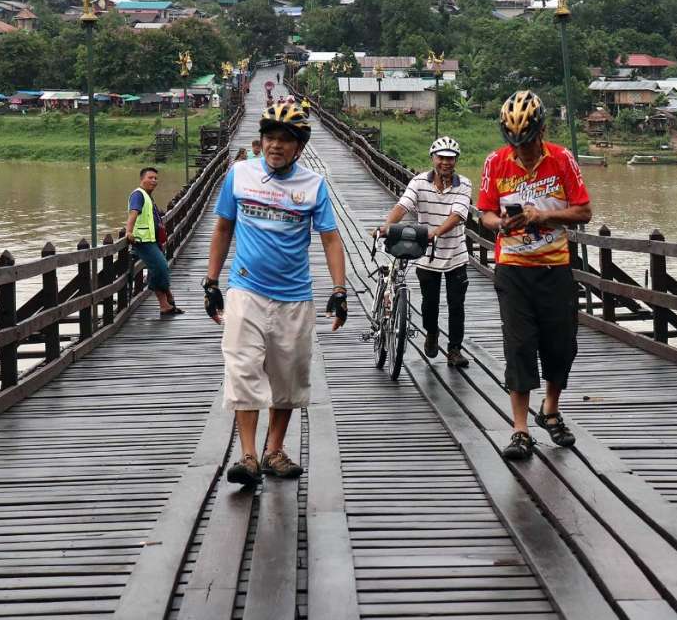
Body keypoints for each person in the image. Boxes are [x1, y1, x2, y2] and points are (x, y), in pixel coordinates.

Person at [203, 101, 349, 487]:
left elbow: (331, 240)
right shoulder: (239, 175)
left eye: (285, 140)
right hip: (245, 289)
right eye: (270, 138)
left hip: (294, 296)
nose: (275, 146)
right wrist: (211, 281)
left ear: (299, 147)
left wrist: (339, 289)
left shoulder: (313, 185)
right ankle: (248, 455)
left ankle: (274, 451)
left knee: (287, 377)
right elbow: (222, 229)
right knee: (242, 370)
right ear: (261, 140)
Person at [476, 90, 592, 460]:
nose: (522, 151)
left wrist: (543, 217)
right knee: (520, 346)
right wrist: (502, 224)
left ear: (540, 131)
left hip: (554, 266)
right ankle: (520, 428)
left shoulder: (562, 160)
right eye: (515, 143)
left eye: (527, 142)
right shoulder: (495, 163)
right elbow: (485, 214)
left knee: (561, 346)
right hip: (513, 269)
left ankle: (550, 409)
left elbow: (584, 212)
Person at [376, 137, 472, 368]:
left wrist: (435, 232)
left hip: (455, 254)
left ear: (456, 160)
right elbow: (404, 205)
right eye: (441, 158)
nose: (446, 163)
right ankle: (431, 333)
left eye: (450, 158)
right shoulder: (419, 182)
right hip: (427, 256)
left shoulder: (464, 184)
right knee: (429, 303)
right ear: (433, 159)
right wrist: (387, 226)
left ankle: (455, 349)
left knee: (456, 304)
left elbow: (458, 214)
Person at [125, 167, 183, 316]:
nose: (154, 181)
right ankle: (167, 297)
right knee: (161, 268)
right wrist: (128, 231)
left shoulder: (147, 196)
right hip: (142, 241)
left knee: (158, 269)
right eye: (150, 178)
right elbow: (133, 213)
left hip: (151, 240)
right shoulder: (138, 195)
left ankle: (165, 305)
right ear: (142, 179)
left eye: (155, 178)